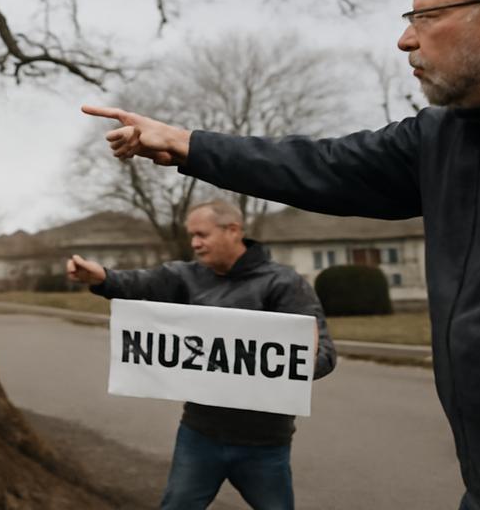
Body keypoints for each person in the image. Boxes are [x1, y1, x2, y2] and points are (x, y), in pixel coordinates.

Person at [84, 0, 480, 510]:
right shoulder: (449, 134)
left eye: (426, 16)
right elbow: (322, 165)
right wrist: (187, 144)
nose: (405, 39)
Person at [66, 199, 335, 510]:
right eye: (191, 235)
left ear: (233, 230)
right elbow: (140, 284)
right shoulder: (185, 276)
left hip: (264, 442)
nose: (194, 243)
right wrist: (101, 277)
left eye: (202, 235)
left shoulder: (284, 283)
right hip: (200, 434)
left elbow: (325, 354)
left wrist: (303, 359)